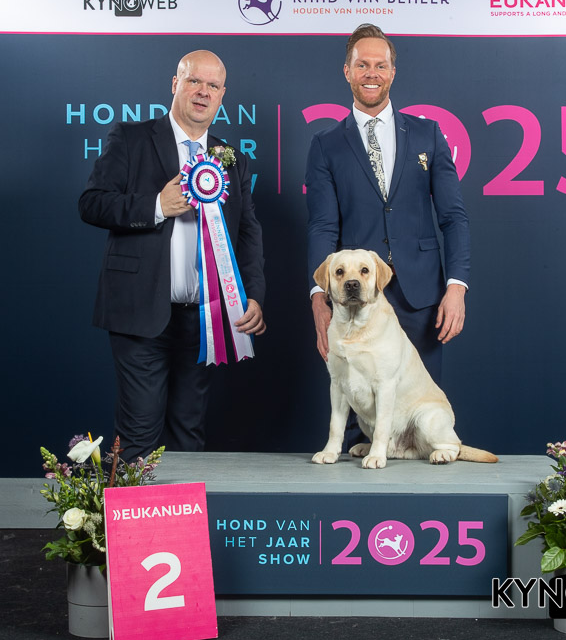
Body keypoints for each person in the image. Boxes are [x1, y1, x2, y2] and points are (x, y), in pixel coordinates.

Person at [79, 50, 266, 462]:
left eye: (213, 85)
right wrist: (156, 206)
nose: (203, 92)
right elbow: (91, 203)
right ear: (175, 84)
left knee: (188, 434)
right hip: (139, 313)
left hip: (204, 319)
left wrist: (252, 294)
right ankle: (132, 508)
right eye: (194, 81)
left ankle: (182, 509)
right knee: (138, 435)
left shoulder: (232, 159)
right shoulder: (130, 138)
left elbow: (247, 232)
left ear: (222, 95)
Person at [306, 23, 470, 391]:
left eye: (380, 65)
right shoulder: (325, 144)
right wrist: (319, 296)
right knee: (359, 412)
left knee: (420, 405)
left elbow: (453, 217)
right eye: (362, 65)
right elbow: (322, 227)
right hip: (354, 299)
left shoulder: (429, 134)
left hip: (421, 297)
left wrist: (457, 286)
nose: (372, 74)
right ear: (347, 71)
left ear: (392, 72)